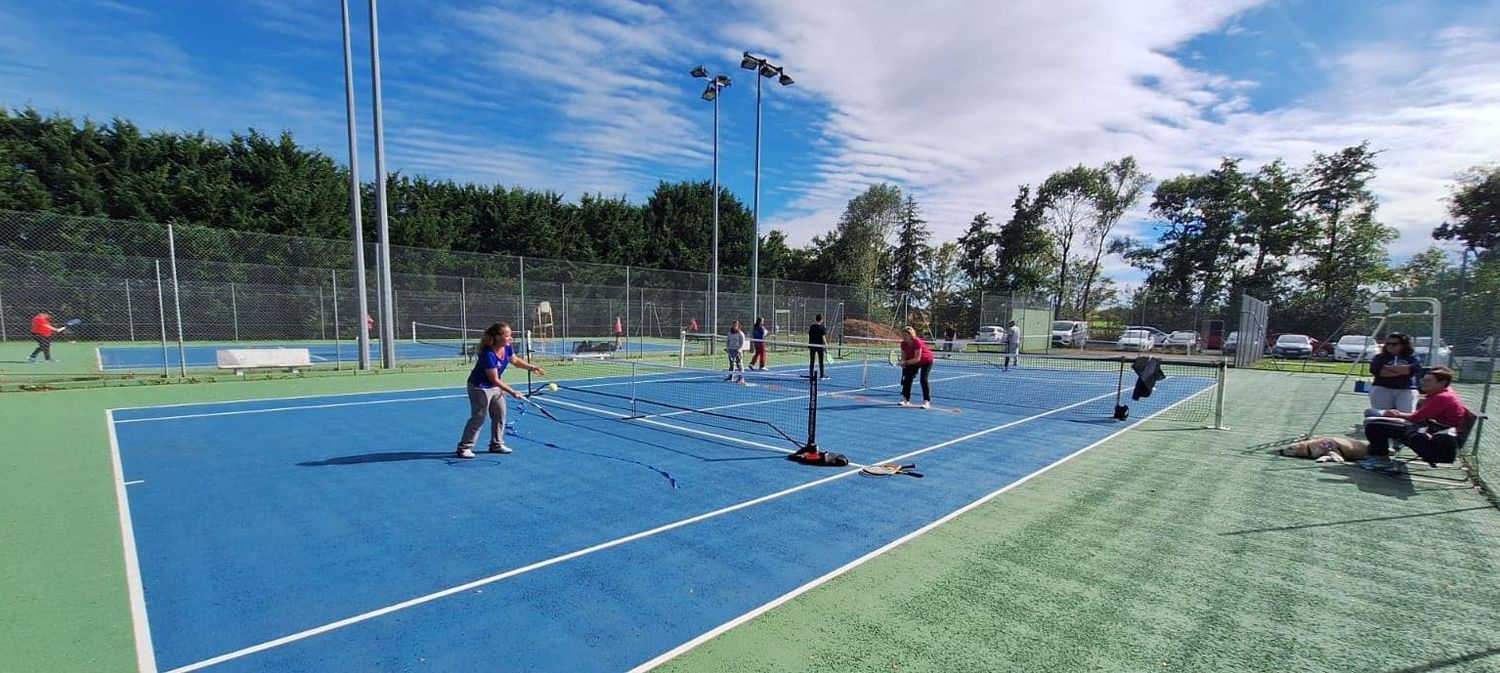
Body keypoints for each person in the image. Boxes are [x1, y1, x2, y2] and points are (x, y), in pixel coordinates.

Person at [455, 322, 546, 459]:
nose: (510, 338)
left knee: (500, 413)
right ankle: (464, 448)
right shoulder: (488, 354)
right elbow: (494, 379)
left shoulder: (507, 347)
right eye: (507, 335)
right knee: (479, 417)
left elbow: (515, 361)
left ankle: (496, 444)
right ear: (497, 337)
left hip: (494, 387)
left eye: (510, 335)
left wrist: (532, 368)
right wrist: (513, 392)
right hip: (479, 387)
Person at [1361, 367, 1470, 471]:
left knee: (1374, 426)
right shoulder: (1444, 393)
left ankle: (1382, 461)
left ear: (1442, 383)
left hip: (1438, 443)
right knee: (1376, 423)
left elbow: (1416, 418)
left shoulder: (1442, 397)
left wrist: (1397, 414)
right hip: (1432, 434)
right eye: (1423, 379)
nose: (1423, 382)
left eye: (1428, 380)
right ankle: (1378, 454)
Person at [1368, 333, 1421, 413]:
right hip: (1382, 387)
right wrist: (1402, 371)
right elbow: (1378, 372)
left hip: (1406, 389)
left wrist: (1387, 367)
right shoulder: (1379, 357)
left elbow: (1413, 369)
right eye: (1388, 344)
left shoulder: (1412, 357)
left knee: (1406, 413)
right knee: (1381, 413)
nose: (1390, 346)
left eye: (1394, 344)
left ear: (1403, 345)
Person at [897, 325, 936, 409]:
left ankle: (926, 401)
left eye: (906, 335)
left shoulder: (917, 342)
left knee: (923, 379)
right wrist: (902, 362)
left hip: (926, 360)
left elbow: (917, 359)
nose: (904, 337)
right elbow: (904, 356)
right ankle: (905, 399)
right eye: (903, 335)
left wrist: (905, 362)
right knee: (907, 378)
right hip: (913, 361)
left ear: (911, 335)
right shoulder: (903, 343)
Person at [807, 314, 829, 379]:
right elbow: (823, 337)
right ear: (821, 320)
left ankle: (811, 374)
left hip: (812, 346)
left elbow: (810, 336)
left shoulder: (811, 327)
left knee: (812, 361)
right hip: (819, 347)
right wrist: (826, 345)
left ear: (816, 319)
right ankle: (821, 375)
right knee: (821, 361)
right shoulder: (822, 328)